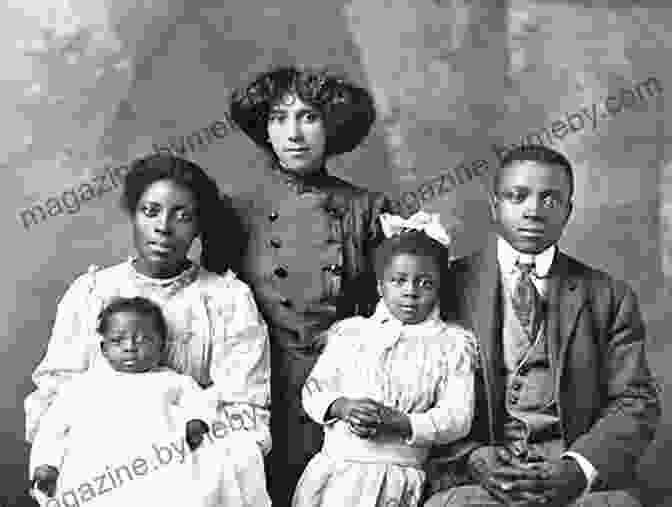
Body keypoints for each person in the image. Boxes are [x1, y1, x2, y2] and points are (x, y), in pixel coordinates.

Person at [25, 153, 272, 507]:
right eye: (151, 211)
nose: (164, 227)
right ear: (134, 215)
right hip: (96, 468)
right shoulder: (91, 292)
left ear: (199, 226)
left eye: (182, 216)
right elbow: (58, 394)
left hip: (193, 470)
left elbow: (243, 404)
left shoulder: (227, 299)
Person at [424, 145, 661, 507]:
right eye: (517, 196)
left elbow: (635, 400)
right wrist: (471, 456)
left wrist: (578, 468)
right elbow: (415, 390)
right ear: (495, 206)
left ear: (568, 211)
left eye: (550, 200)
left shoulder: (609, 296)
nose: (533, 211)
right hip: (479, 481)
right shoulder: (445, 286)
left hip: (572, 484)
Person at [226, 65, 391, 505]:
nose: (294, 133)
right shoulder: (235, 211)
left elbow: (390, 316)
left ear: (332, 126)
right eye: (280, 119)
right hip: (262, 390)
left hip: (343, 391)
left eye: (308, 117)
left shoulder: (368, 209)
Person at [291, 211, 476, 507]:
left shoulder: (451, 345)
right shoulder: (350, 335)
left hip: (398, 479)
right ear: (380, 286)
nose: (410, 292)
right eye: (398, 281)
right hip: (337, 474)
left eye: (425, 283)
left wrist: (402, 423)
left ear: (439, 288)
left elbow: (458, 417)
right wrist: (343, 407)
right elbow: (314, 391)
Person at [29, 297, 212, 505]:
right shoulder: (83, 386)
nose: (130, 347)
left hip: (155, 467)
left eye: (142, 340)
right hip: (93, 467)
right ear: (104, 348)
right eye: (117, 340)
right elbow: (52, 428)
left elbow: (202, 404)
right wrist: (46, 465)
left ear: (161, 346)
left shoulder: (173, 381)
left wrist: (196, 423)